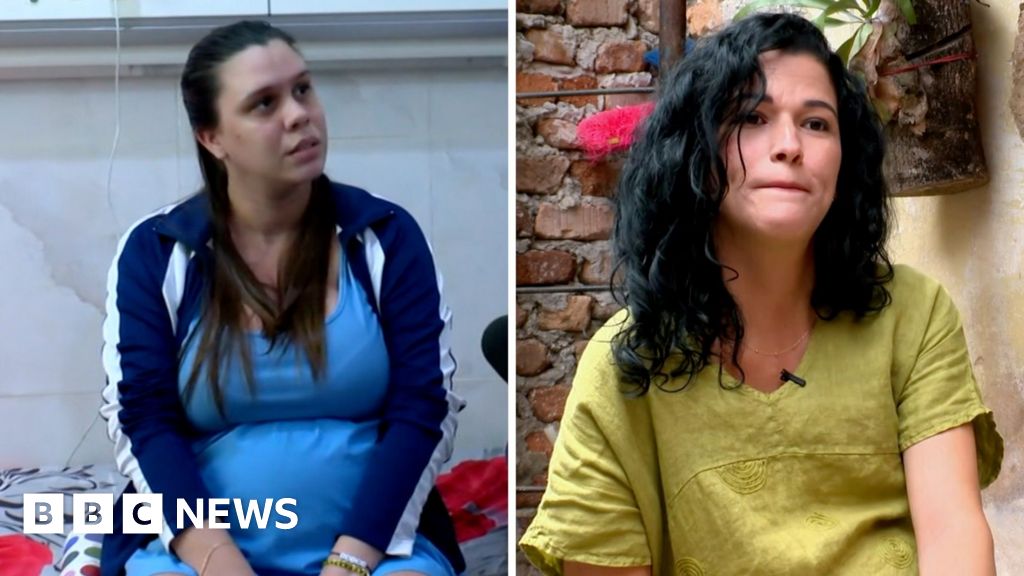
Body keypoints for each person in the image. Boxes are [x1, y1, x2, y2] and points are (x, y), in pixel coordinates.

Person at [519, 12, 1003, 576]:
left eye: (817, 123)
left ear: (846, 158)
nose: (790, 146)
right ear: (695, 151)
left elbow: (954, 536)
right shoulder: (622, 367)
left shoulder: (913, 315)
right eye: (752, 117)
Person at [98, 20, 465, 576]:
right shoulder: (157, 252)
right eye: (264, 104)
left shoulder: (385, 237)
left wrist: (349, 563)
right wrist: (221, 564)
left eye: (303, 89)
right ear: (212, 137)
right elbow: (142, 419)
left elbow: (425, 408)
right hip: (198, 555)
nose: (299, 115)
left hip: (377, 551)